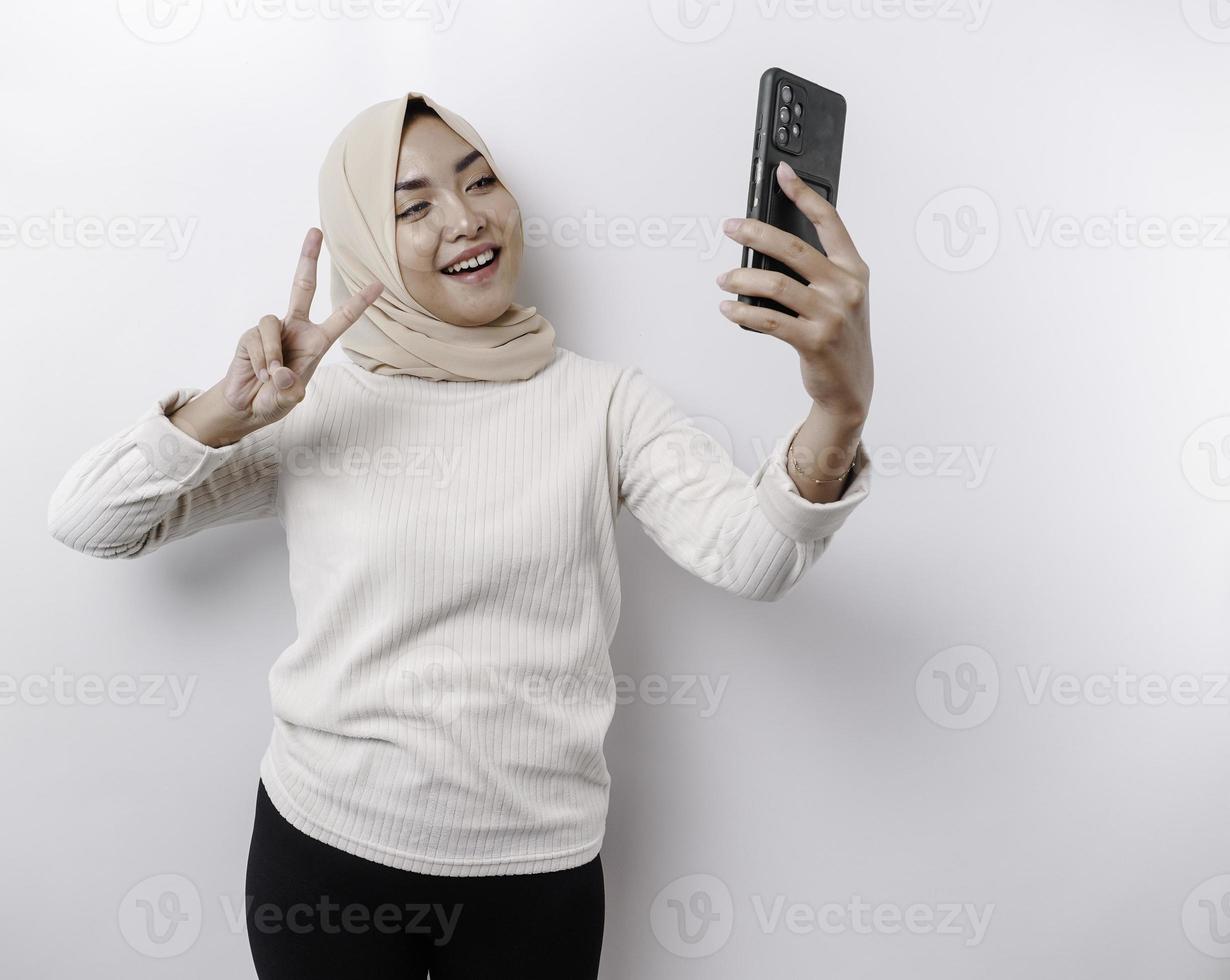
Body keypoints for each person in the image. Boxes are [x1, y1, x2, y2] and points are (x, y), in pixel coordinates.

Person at [46, 90, 875, 979]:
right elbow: (89, 520)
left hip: (536, 876)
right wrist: (225, 410)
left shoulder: (604, 403)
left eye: (481, 181)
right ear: (364, 235)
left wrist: (838, 409)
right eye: (414, 205)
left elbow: (752, 556)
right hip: (328, 858)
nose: (467, 218)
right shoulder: (308, 403)